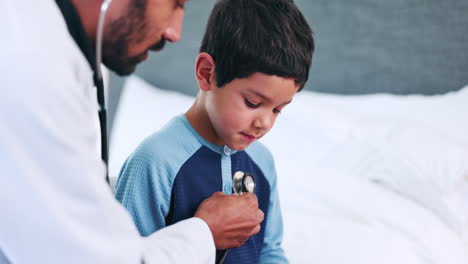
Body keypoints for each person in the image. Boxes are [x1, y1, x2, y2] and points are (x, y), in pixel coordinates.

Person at [0, 0, 264, 263]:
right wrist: (206, 232)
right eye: (175, 4)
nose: (174, 32)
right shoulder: (31, 77)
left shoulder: (44, 46)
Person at [114, 0, 314, 263]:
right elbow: (125, 257)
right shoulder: (154, 162)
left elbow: (269, 250)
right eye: (253, 103)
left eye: (278, 109)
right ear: (207, 73)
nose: (264, 122)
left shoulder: (262, 162)